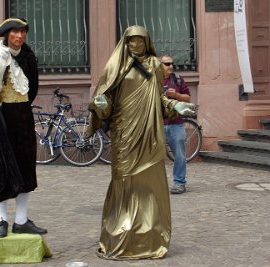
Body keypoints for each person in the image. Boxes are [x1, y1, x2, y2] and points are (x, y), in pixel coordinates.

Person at [87, 26, 195, 260]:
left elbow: (159, 97)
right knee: (124, 180)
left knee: (148, 183)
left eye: (140, 41)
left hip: (149, 133)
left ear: (147, 42)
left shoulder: (155, 65)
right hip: (124, 133)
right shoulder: (116, 66)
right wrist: (102, 106)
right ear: (125, 43)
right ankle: (120, 231)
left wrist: (175, 105)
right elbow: (105, 98)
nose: (136, 45)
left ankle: (150, 235)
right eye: (131, 41)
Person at [0, 17, 47, 238]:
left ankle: (21, 220)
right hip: (3, 117)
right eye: (14, 33)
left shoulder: (28, 57)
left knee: (25, 165)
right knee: (1, 167)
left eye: (22, 32)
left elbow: (34, 86)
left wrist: (24, 107)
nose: (19, 36)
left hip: (23, 116)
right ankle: (2, 219)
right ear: (6, 35)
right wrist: (1, 61)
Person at [161, 54, 191, 194]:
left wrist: (176, 96)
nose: (171, 66)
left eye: (172, 63)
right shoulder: (152, 81)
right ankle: (155, 184)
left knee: (179, 155)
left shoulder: (178, 80)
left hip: (176, 123)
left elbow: (188, 98)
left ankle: (179, 183)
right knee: (153, 156)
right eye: (167, 64)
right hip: (157, 124)